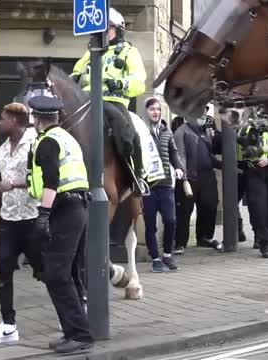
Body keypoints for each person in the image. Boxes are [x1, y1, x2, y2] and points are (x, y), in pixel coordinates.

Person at [26, 95, 94, 354]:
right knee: (70, 273)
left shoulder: (47, 142)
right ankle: (74, 333)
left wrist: (43, 214)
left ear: (36, 119)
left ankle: (80, 335)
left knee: (56, 274)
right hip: (78, 208)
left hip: (64, 209)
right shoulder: (68, 138)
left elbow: (52, 180)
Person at [0, 103, 41, 345]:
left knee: (46, 271)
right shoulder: (2, 149)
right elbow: (4, 180)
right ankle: (8, 326)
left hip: (34, 217)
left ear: (14, 122)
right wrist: (1, 188)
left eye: (2, 119)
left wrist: (13, 184)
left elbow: (44, 176)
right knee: (3, 271)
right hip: (8, 219)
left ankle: (73, 310)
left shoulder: (36, 143)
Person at [71, 7, 147, 194]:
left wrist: (119, 83)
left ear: (118, 30)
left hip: (113, 101)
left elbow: (139, 83)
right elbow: (76, 72)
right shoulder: (90, 53)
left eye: (108, 28)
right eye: (101, 29)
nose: (104, 33)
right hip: (86, 102)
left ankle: (137, 175)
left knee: (130, 134)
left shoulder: (129, 52)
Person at [142, 97, 185, 272]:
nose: (156, 112)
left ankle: (168, 254)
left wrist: (179, 167)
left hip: (166, 183)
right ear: (146, 111)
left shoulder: (167, 132)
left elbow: (174, 153)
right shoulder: (141, 132)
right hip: (149, 185)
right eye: (152, 109)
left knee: (171, 220)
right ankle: (155, 258)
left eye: (158, 109)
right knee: (150, 224)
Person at [174, 114, 223, 252]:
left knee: (210, 204)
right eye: (198, 114)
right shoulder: (181, 132)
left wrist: (223, 165)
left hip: (207, 175)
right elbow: (180, 155)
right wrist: (183, 177)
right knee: (184, 210)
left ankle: (205, 237)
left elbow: (209, 156)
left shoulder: (205, 132)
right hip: (189, 177)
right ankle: (180, 243)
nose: (202, 117)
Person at [237, 120, 268, 258]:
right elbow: (239, 140)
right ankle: (265, 244)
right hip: (255, 172)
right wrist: (247, 139)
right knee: (259, 209)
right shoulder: (249, 127)